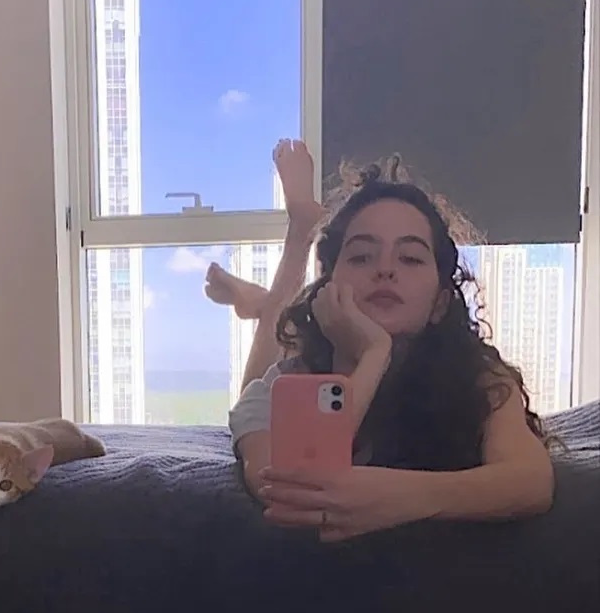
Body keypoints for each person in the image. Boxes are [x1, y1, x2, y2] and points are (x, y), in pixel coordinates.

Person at [207, 140, 556, 543]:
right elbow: (291, 490)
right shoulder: (284, 384)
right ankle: (298, 237)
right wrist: (373, 355)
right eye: (361, 256)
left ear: (440, 303)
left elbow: (530, 481)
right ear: (328, 288)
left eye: (410, 258)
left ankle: (264, 301)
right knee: (253, 386)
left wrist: (403, 497)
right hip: (294, 365)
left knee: (274, 340)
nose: (386, 269)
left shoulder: (478, 376)